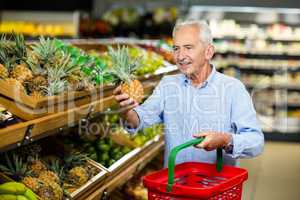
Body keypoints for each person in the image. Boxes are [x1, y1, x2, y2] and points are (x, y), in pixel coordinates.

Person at [113, 19, 264, 166]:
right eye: (176, 48)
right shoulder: (168, 85)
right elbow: (140, 119)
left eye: (188, 47)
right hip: (176, 184)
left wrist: (225, 140)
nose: (180, 56)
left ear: (208, 52)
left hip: (214, 187)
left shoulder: (233, 89)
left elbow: (256, 142)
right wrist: (126, 109)